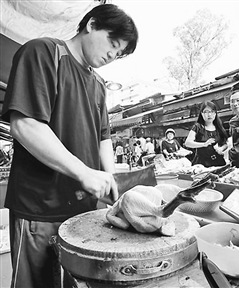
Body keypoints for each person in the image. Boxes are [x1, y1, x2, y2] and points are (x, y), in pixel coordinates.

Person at [1, 4, 139, 287]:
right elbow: (25, 125)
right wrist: (84, 173)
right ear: (91, 24)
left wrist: (110, 178)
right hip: (39, 208)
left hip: (83, 213)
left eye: (120, 53)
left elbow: (104, 137)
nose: (113, 55)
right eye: (113, 44)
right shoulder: (44, 52)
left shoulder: (98, 84)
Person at [185, 101, 229, 167]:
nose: (209, 114)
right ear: (202, 114)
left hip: (218, 163)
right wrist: (204, 144)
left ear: (215, 113)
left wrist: (221, 149)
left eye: (212, 111)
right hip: (201, 164)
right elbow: (187, 143)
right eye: (206, 112)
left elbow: (226, 143)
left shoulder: (219, 128)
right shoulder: (198, 127)